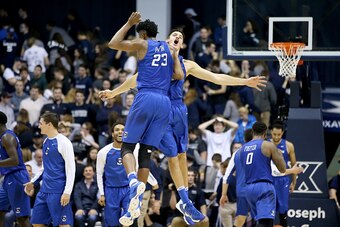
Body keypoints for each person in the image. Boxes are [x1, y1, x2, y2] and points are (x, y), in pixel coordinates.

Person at [100, 29, 267, 224]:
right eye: (174, 34)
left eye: (180, 36)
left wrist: (244, 82)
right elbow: (134, 79)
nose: (177, 37)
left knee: (180, 156)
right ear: (167, 40)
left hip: (179, 111)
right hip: (161, 110)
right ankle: (141, 202)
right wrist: (113, 92)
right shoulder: (156, 60)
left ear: (182, 44)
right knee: (170, 155)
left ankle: (184, 202)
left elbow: (216, 78)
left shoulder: (187, 65)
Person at [99, 12, 184, 223]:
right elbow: (179, 76)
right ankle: (135, 201)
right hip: (165, 103)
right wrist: (173, 56)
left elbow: (113, 43)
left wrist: (128, 23)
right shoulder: (169, 49)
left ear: (143, 34)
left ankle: (132, 181)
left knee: (127, 147)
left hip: (145, 97)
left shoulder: (142, 44)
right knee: (145, 151)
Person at [24, 112, 75, 227]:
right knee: (37, 223)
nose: (39, 126)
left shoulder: (64, 143)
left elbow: (71, 170)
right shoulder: (46, 141)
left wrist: (67, 192)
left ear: (49, 125)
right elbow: (44, 168)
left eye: (41, 123)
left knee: (63, 225)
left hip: (58, 190)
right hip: (44, 190)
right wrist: (33, 182)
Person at [239, 122, 286, 227]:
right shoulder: (267, 145)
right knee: (266, 223)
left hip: (249, 189)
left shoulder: (242, 148)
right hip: (263, 187)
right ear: (265, 133)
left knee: (258, 222)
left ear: (252, 132)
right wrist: (279, 154)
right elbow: (282, 169)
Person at [96, 121, 131, 226]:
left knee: (128, 221)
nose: (120, 132)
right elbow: (99, 174)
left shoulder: (132, 150)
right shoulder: (104, 152)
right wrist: (101, 193)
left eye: (122, 130)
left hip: (127, 189)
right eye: (117, 130)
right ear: (112, 134)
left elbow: (138, 169)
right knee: (112, 223)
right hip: (111, 190)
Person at [0, 111, 31, 227]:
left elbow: (15, 160)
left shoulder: (7, 138)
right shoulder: (2, 138)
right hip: (8, 177)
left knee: (21, 217)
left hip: (17, 176)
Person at [269, 120, 297, 227]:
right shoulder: (265, 144)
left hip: (282, 180)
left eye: (279, 134)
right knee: (268, 209)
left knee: (282, 209)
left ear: (283, 132)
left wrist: (294, 183)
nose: (276, 137)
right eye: (274, 134)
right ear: (271, 132)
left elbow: (294, 166)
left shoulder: (289, 145)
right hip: (269, 179)